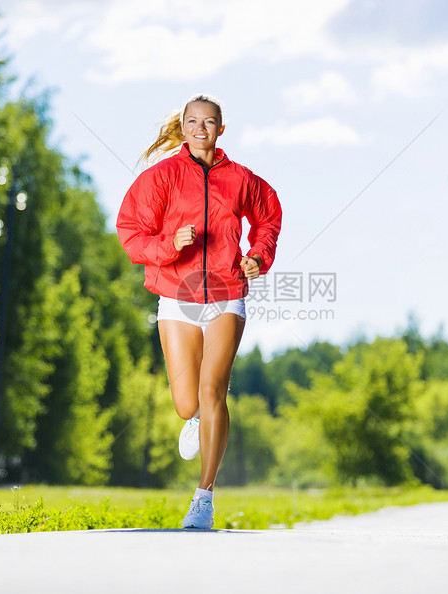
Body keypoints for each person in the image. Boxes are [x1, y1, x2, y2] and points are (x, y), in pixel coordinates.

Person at [116, 94, 282, 529]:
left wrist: (257, 256)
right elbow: (131, 231)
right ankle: (195, 419)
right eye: (193, 122)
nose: (200, 129)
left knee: (213, 393)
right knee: (186, 401)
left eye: (209, 122)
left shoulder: (241, 179)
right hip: (176, 296)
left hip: (227, 294)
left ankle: (204, 497)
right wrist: (170, 246)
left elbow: (268, 217)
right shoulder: (162, 177)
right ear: (184, 127)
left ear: (221, 129)